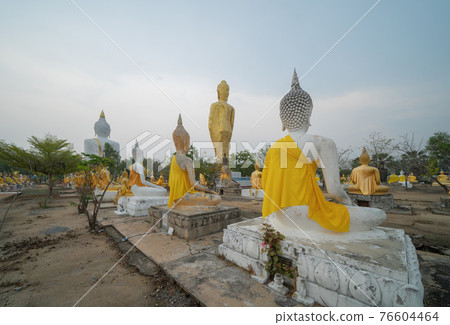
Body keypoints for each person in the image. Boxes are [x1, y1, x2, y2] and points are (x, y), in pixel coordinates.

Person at [262, 69, 385, 234]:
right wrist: (348, 202)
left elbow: (266, 184)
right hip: (306, 213)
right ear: (308, 113)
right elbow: (334, 190)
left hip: (281, 214)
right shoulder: (322, 142)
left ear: (283, 118)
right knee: (377, 215)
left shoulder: (274, 148)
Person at [168, 115, 221, 207]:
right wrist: (210, 190)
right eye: (188, 142)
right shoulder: (187, 160)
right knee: (217, 198)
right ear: (185, 143)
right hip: (184, 197)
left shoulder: (173, 159)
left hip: (176, 198)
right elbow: (193, 183)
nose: (189, 145)